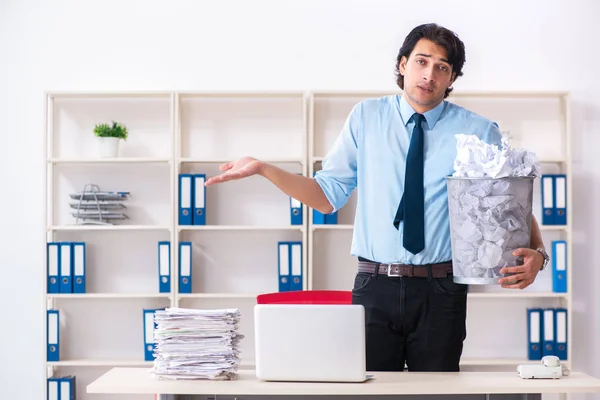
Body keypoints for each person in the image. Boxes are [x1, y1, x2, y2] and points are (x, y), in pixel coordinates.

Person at [205, 23, 548, 372]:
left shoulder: (477, 130)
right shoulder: (366, 118)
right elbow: (326, 197)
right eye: (421, 61)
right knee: (368, 392)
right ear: (402, 64)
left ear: (451, 79)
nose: (429, 74)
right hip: (374, 286)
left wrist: (539, 252)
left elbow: (506, 205)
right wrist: (264, 169)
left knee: (436, 398)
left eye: (442, 67)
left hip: (442, 291)